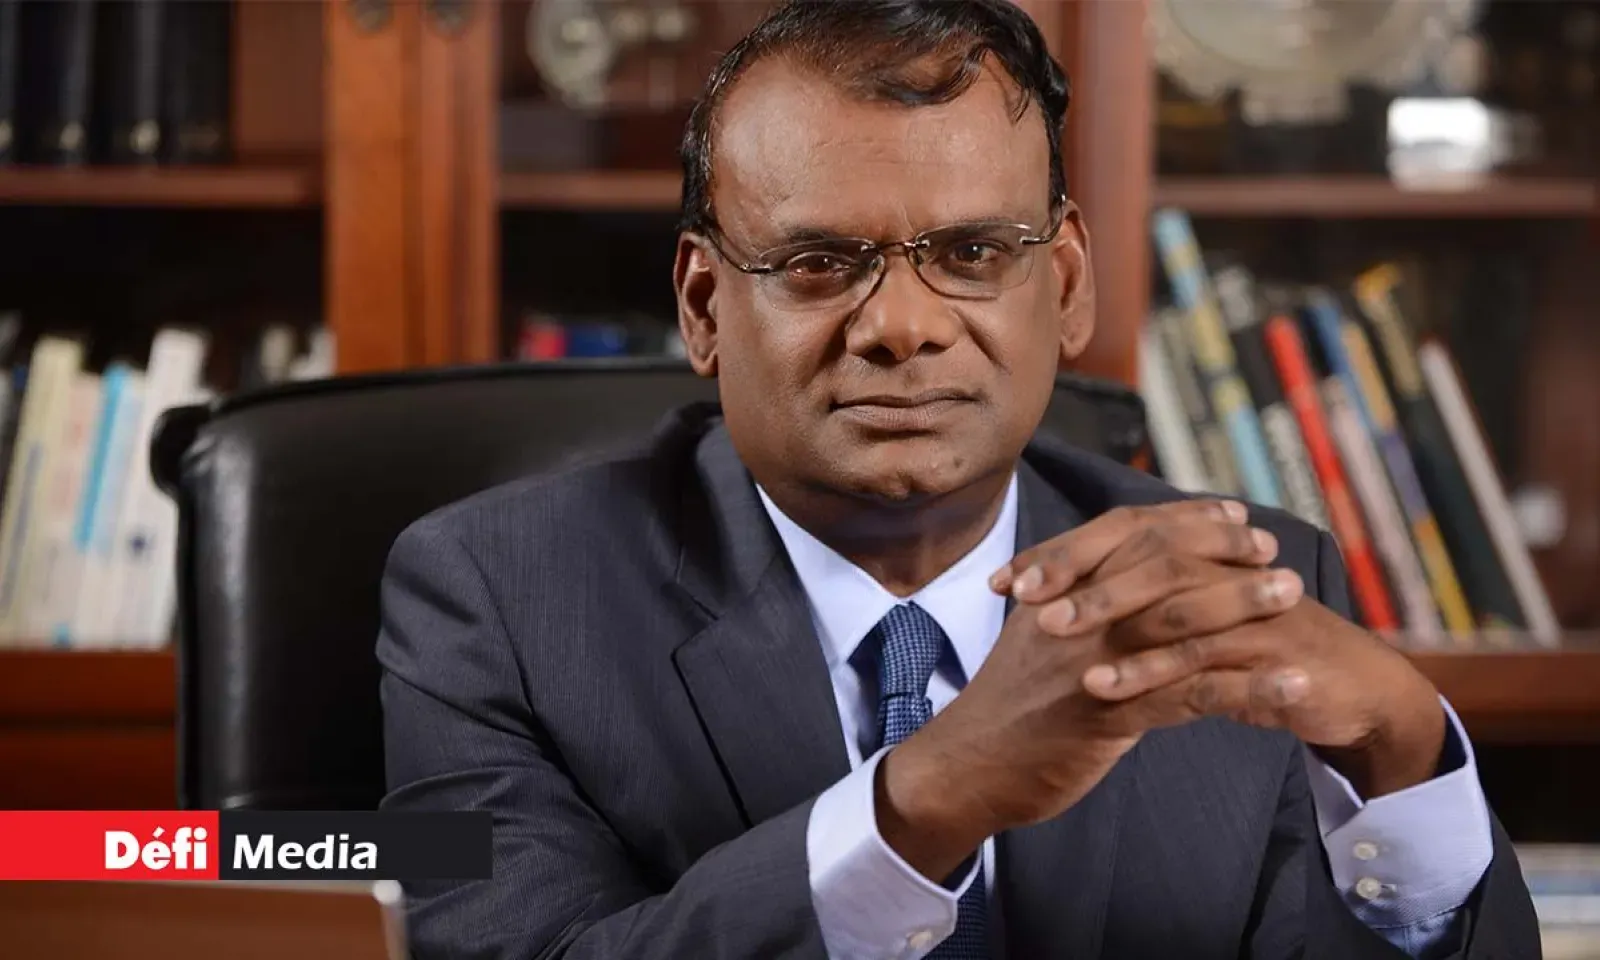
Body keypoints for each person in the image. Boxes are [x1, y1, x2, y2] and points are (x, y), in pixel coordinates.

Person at [375, 1, 1539, 957]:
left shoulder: (1242, 581)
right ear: (703, 306)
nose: (902, 326)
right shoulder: (498, 598)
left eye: (972, 253)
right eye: (818, 263)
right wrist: (928, 798)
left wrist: (1405, 754)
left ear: (1065, 286)